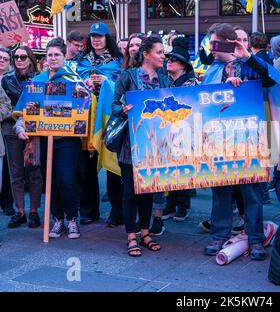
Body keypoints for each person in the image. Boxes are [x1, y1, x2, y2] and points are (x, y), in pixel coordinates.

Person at [201, 23, 276, 260]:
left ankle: (255, 238)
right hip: (218, 139)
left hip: (248, 140)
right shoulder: (213, 69)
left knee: (251, 192)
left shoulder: (250, 65)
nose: (211, 49)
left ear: (227, 42)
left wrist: (247, 58)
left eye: (215, 43)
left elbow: (270, 79)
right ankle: (219, 234)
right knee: (221, 192)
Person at [14, 38, 84, 238]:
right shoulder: (36, 82)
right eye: (50, 55)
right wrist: (20, 128)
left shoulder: (74, 80)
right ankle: (57, 220)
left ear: (64, 56)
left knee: (65, 180)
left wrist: (86, 92)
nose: (53, 58)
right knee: (49, 182)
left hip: (67, 141)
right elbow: (23, 109)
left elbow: (84, 109)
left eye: (57, 55)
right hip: (43, 141)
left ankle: (72, 219)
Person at [112, 36, 171, 257]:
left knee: (148, 189)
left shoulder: (164, 79)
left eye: (163, 53)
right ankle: (131, 236)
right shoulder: (128, 76)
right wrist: (124, 109)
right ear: (146, 54)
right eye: (159, 52)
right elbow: (115, 106)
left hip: (156, 142)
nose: (163, 56)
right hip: (131, 140)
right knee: (129, 191)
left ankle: (145, 233)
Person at [77, 22, 123, 226]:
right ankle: (89, 210)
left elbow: (123, 87)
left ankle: (117, 212)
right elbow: (74, 83)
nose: (96, 39)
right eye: (93, 36)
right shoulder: (81, 62)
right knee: (87, 164)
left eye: (100, 36)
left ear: (107, 39)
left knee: (113, 165)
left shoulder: (118, 62)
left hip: (108, 117)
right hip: (87, 117)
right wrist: (84, 83)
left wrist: (107, 81)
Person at [156, 36, 198, 234]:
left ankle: (182, 205)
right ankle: (171, 203)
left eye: (173, 60)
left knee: (182, 168)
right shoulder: (165, 80)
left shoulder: (190, 83)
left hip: (184, 129)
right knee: (169, 168)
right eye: (168, 59)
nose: (168, 61)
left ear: (182, 65)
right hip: (167, 129)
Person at [1, 46, 42, 229]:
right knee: (15, 171)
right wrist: (17, 117)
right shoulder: (6, 80)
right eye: (16, 56)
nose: (19, 60)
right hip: (10, 127)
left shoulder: (40, 79)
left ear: (30, 59)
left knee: (34, 169)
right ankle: (20, 211)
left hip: (35, 127)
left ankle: (33, 211)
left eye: (23, 56)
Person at [0, 47, 14, 216]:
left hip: (8, 127)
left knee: (7, 169)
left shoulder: (11, 79)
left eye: (5, 58)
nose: (1, 60)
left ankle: (6, 201)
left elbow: (7, 105)